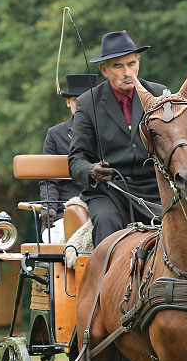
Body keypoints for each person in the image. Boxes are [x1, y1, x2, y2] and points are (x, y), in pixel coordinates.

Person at [68, 30, 168, 246]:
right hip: (110, 191)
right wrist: (91, 171)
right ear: (104, 69)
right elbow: (76, 160)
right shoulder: (87, 103)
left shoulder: (160, 96)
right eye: (118, 66)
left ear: (139, 62)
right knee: (106, 220)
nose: (127, 72)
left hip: (155, 189)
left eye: (131, 64)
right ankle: (106, 279)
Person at [39, 73, 99, 242]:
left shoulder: (106, 132)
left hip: (100, 208)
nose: (81, 105)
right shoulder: (55, 134)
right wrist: (48, 207)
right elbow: (49, 180)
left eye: (86, 100)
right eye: (76, 100)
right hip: (63, 212)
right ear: (68, 102)